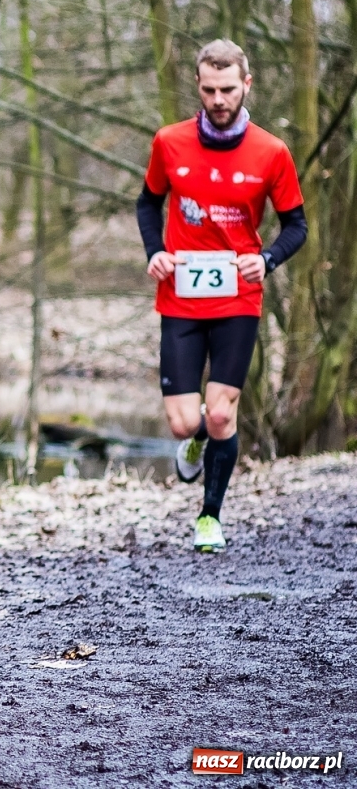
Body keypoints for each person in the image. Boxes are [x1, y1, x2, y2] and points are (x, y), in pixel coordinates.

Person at [137, 39, 306, 552]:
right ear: (198, 86)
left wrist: (267, 259)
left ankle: (209, 517)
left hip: (238, 298)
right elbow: (147, 205)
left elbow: (296, 225)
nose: (218, 99)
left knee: (220, 412)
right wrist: (154, 252)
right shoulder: (169, 142)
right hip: (181, 296)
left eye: (227, 89)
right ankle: (193, 443)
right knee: (186, 420)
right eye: (209, 89)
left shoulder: (271, 151)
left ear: (246, 85)